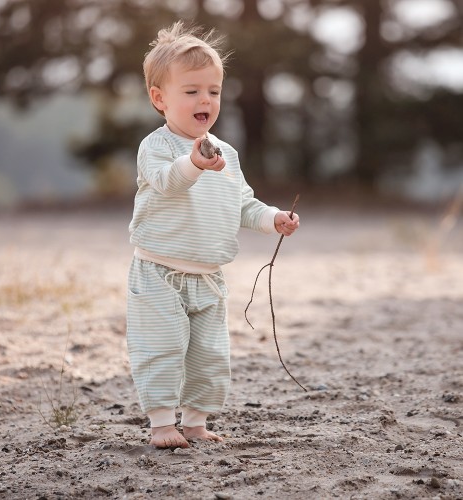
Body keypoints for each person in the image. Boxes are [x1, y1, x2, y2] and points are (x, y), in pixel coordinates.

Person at [126, 21, 299, 449]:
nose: (205, 99)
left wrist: (273, 218)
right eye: (191, 91)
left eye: (214, 91)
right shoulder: (157, 147)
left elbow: (243, 204)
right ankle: (162, 423)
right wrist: (195, 164)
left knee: (209, 353)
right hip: (159, 271)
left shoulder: (227, 154)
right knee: (163, 346)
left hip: (208, 276)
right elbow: (168, 182)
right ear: (160, 99)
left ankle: (196, 421)